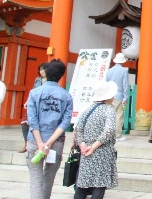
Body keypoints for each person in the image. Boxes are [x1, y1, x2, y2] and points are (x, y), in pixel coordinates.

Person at [25, 59, 73, 199]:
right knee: (49, 177)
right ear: (61, 75)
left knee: (35, 179)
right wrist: (48, 143)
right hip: (55, 142)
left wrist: (40, 143)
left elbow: (32, 120)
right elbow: (65, 123)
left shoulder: (34, 93)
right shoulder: (66, 96)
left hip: (35, 141)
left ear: (45, 72)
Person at [74, 80, 118, 199]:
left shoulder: (87, 109)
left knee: (82, 185)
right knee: (99, 184)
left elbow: (78, 129)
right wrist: (93, 146)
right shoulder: (109, 110)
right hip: (102, 152)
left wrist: (82, 144)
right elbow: (109, 130)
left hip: (85, 151)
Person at [20, 63, 48, 153]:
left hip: (44, 106)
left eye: (44, 69)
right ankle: (26, 144)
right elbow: (33, 91)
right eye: (40, 69)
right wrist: (27, 102)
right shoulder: (37, 80)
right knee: (24, 123)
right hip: (34, 105)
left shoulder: (51, 81)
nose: (42, 71)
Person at [105, 52, 129, 141]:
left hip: (109, 96)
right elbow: (125, 85)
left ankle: (107, 134)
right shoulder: (123, 71)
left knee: (109, 116)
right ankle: (117, 135)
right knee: (119, 116)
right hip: (119, 95)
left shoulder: (109, 71)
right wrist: (125, 98)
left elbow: (106, 83)